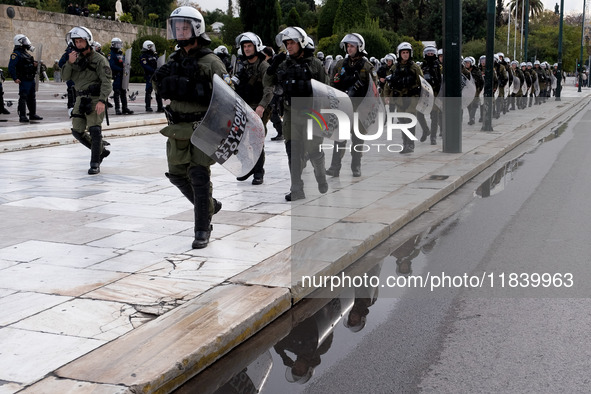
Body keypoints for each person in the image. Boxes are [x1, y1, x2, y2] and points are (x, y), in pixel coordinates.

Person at [152, 6, 225, 249]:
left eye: (184, 26)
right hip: (177, 127)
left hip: (202, 126)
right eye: (176, 26)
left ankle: (202, 229)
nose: (179, 31)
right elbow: (159, 90)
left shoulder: (211, 62)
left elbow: (227, 97)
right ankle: (209, 206)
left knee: (199, 176)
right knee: (176, 175)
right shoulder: (173, 61)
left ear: (196, 29)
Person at [265, 26, 329, 201]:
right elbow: (268, 82)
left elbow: (327, 89)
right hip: (291, 113)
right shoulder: (283, 64)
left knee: (314, 150)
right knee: (292, 151)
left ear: (301, 42)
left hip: (312, 114)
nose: (289, 46)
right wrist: (273, 65)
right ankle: (296, 189)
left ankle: (321, 175)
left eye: (292, 42)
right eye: (286, 43)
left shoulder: (315, 64)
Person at [61, 26, 112, 175]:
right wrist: (69, 62)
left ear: (87, 41)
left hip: (95, 99)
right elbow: (65, 77)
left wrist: (102, 100)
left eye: (81, 41)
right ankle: (100, 151)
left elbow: (107, 81)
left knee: (95, 130)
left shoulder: (99, 60)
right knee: (77, 131)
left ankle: (95, 163)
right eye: (76, 41)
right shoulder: (75, 59)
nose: (78, 44)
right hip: (80, 98)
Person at [326, 33, 374, 177]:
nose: (349, 48)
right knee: (339, 138)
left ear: (359, 47)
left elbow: (374, 90)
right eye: (347, 46)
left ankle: (356, 166)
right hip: (344, 107)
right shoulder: (340, 65)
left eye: (352, 46)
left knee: (357, 139)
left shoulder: (367, 66)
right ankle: (335, 167)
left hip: (360, 108)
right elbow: (333, 83)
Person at [232, 32, 274, 185]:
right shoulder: (240, 64)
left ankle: (258, 172)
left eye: (249, 46)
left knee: (256, 140)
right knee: (235, 138)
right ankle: (246, 165)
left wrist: (262, 106)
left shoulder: (263, 66)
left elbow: (269, 88)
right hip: (242, 105)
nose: (247, 49)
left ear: (256, 47)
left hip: (258, 106)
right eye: (244, 46)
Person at [385, 42, 422, 154]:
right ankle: (405, 143)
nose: (405, 55)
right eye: (403, 52)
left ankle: (410, 144)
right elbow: (388, 83)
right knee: (401, 120)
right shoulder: (394, 67)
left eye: (407, 52)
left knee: (409, 120)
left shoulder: (415, 67)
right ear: (399, 54)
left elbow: (422, 82)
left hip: (412, 98)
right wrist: (386, 95)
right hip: (399, 99)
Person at [8, 34, 42, 123]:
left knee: (32, 97)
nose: (26, 43)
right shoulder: (16, 54)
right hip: (24, 79)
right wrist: (15, 78)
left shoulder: (26, 53)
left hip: (31, 78)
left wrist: (34, 65)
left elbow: (28, 65)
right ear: (19, 42)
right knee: (23, 97)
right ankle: (22, 116)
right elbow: (11, 67)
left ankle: (32, 114)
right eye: (24, 41)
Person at [417, 45, 442, 144]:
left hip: (435, 94)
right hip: (424, 94)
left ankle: (433, 137)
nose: (430, 55)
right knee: (419, 113)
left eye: (432, 53)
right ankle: (425, 130)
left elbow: (442, 80)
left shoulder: (439, 67)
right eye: (428, 53)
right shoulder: (422, 66)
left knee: (434, 116)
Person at [262, 46, 284, 141]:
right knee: (273, 113)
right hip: (274, 92)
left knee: (273, 113)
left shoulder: (272, 64)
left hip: (274, 92)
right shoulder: (272, 62)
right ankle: (281, 132)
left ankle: (281, 132)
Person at [108, 37, 134, 115]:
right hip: (116, 75)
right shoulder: (111, 54)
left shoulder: (121, 53)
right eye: (117, 44)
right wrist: (121, 69)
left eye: (120, 44)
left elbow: (124, 62)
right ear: (113, 44)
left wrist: (127, 66)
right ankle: (117, 108)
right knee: (117, 92)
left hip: (123, 76)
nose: (119, 46)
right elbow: (111, 65)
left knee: (123, 92)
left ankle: (124, 108)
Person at [139, 40, 164, 113]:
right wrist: (153, 70)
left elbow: (159, 62)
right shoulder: (143, 56)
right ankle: (148, 106)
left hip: (156, 75)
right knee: (149, 90)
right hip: (149, 75)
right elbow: (145, 65)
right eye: (151, 46)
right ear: (148, 47)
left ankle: (160, 106)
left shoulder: (154, 55)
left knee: (158, 91)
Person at [463, 56, 483, 125]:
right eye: (465, 63)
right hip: (467, 90)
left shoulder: (476, 70)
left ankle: (472, 118)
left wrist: (480, 89)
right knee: (469, 104)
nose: (466, 64)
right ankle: (471, 117)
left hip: (476, 90)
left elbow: (481, 80)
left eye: (468, 63)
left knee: (474, 104)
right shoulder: (464, 70)